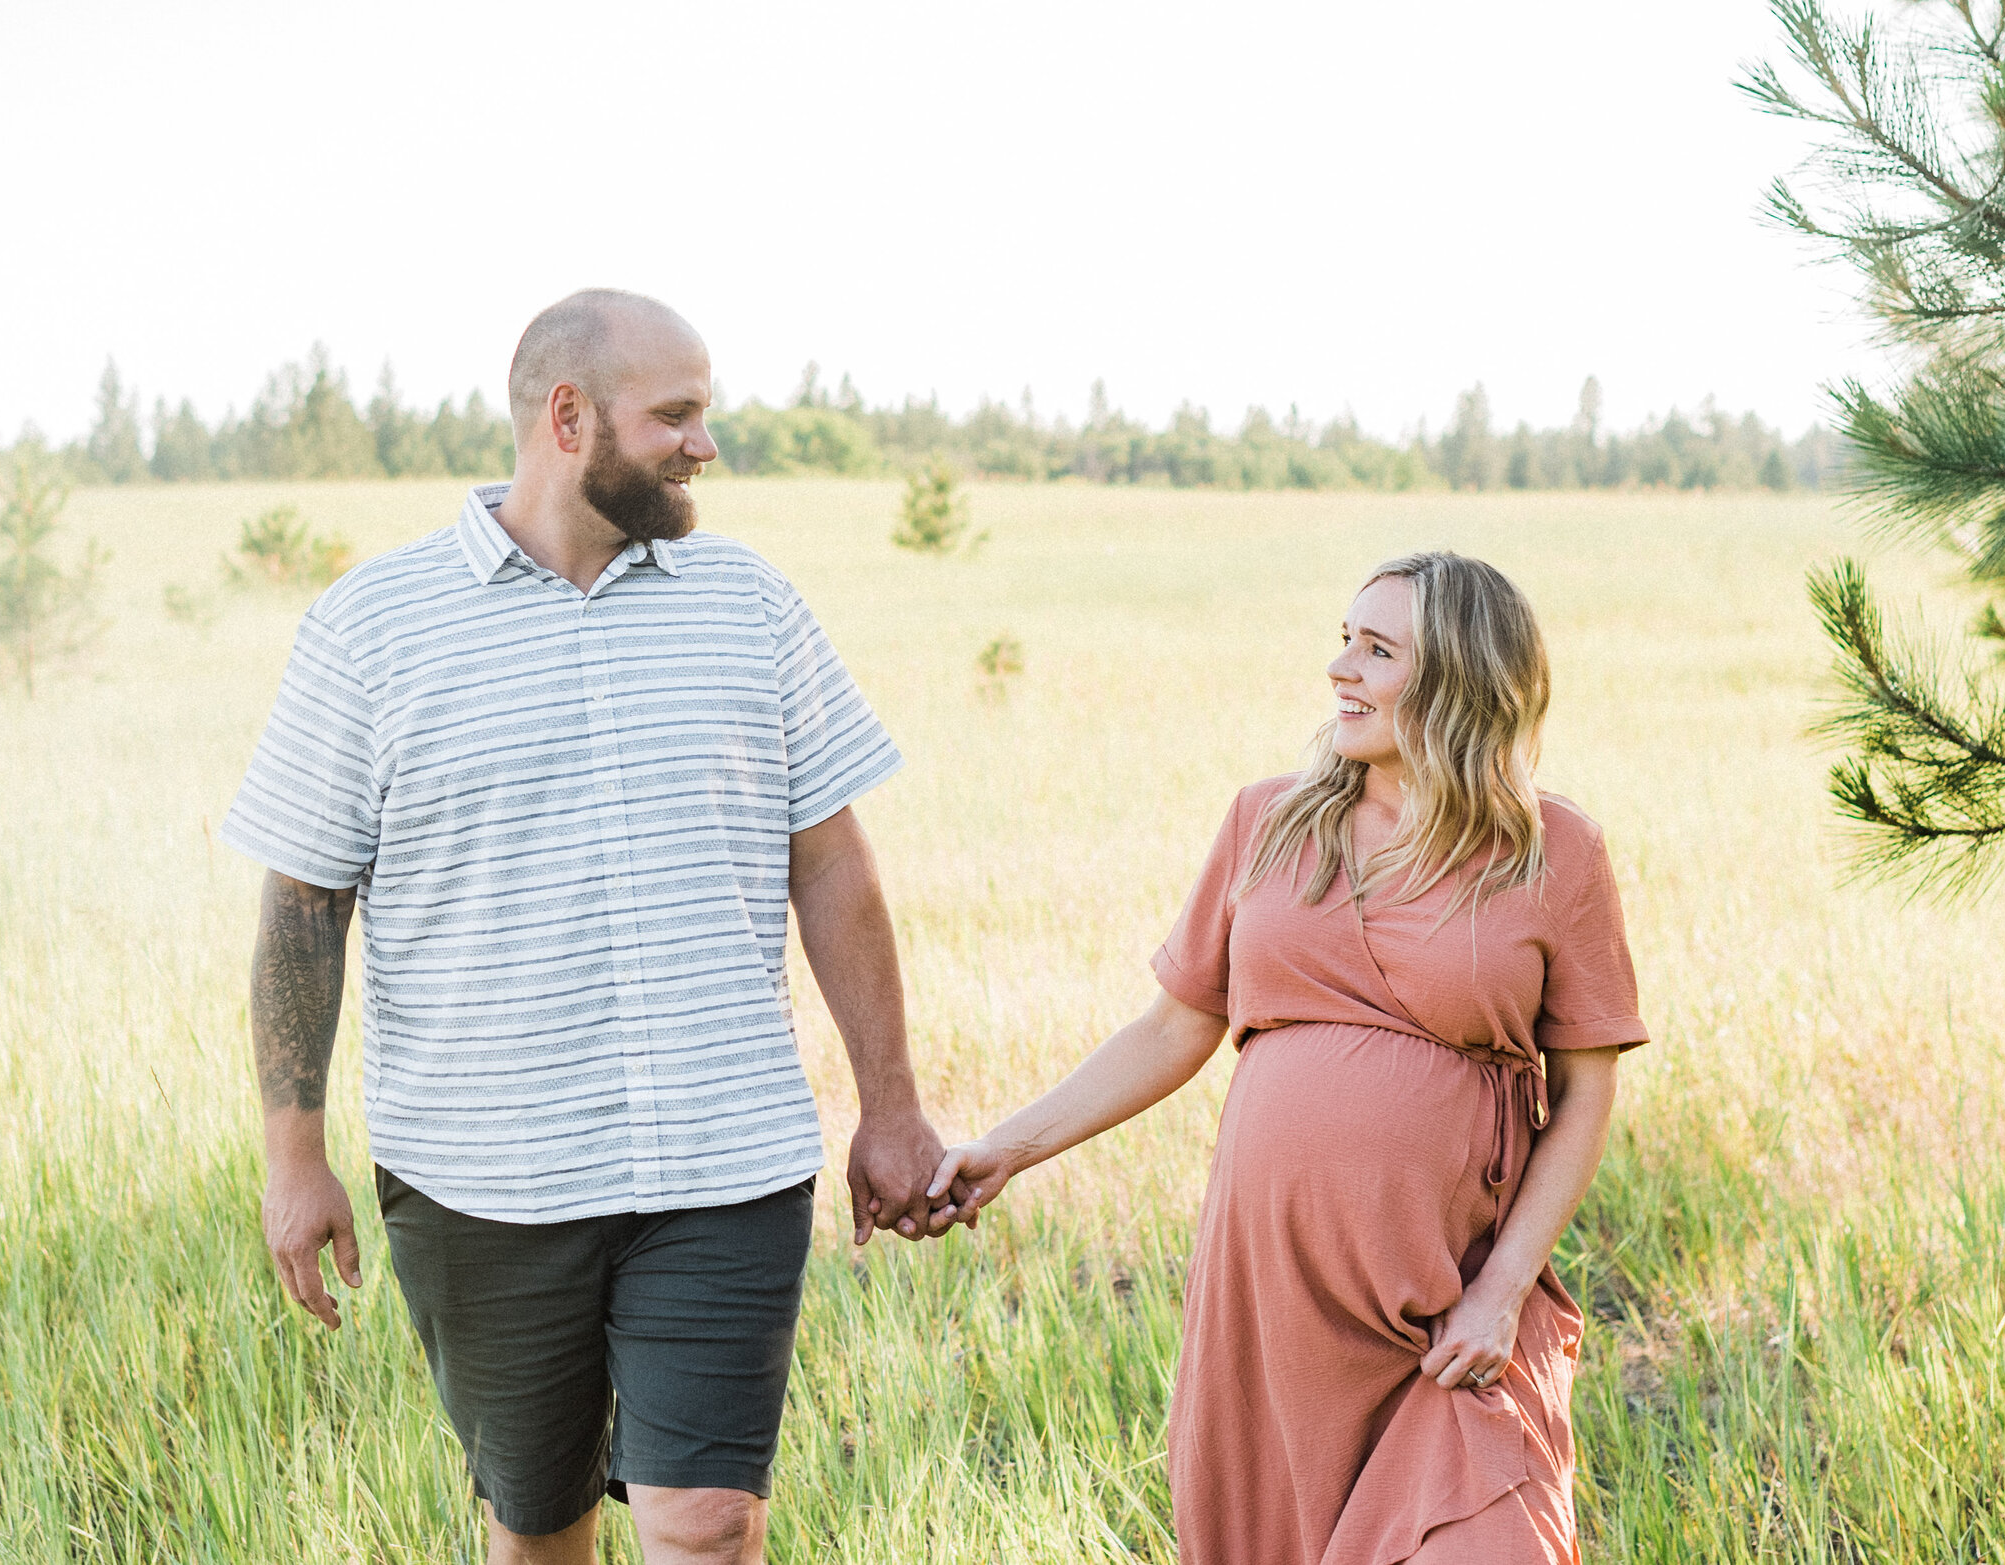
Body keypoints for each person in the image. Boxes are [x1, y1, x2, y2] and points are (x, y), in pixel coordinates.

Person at [223, 288, 958, 1565]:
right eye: (674, 415)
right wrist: (294, 1156)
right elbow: (302, 907)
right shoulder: (372, 629)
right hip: (483, 1179)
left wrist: (889, 1102)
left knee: (708, 1523)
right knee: (539, 1525)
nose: (703, 445)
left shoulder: (751, 605)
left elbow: (831, 864)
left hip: (725, 1163)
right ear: (568, 417)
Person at [929, 551, 1648, 1564]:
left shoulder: (1552, 850)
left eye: (1377, 649)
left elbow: (1583, 1094)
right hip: (1275, 1304)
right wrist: (1006, 1149)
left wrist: (1500, 1292)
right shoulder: (1267, 821)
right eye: (1342, 640)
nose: (1340, 669)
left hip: (1447, 1303)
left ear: (1460, 676)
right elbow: (1174, 1027)